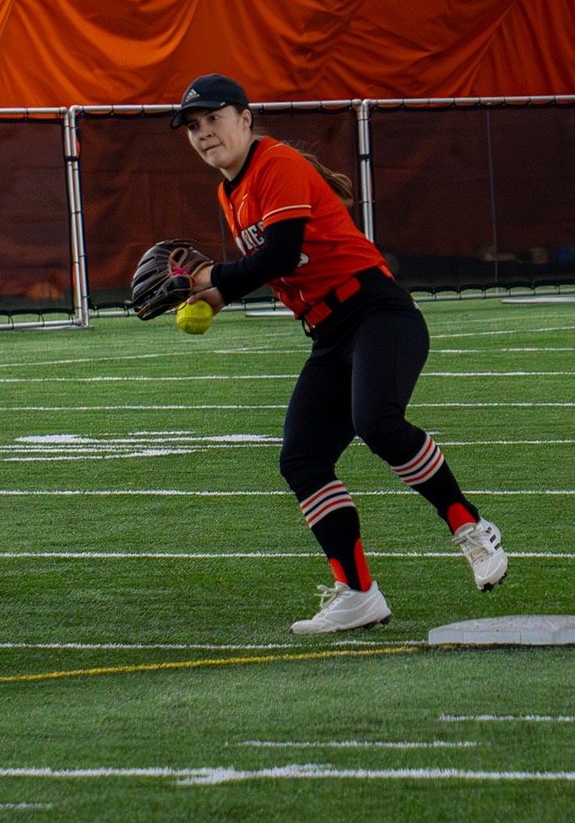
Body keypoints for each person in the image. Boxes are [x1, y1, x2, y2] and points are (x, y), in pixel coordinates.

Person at [170, 73, 508, 634]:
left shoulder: (273, 164)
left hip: (378, 313)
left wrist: (217, 275)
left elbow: (281, 253)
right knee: (301, 460)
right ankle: (357, 592)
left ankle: (470, 527)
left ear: (246, 118)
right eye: (194, 127)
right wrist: (213, 294)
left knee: (376, 422)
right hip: (329, 333)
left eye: (215, 119)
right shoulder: (229, 191)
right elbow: (275, 269)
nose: (205, 133)